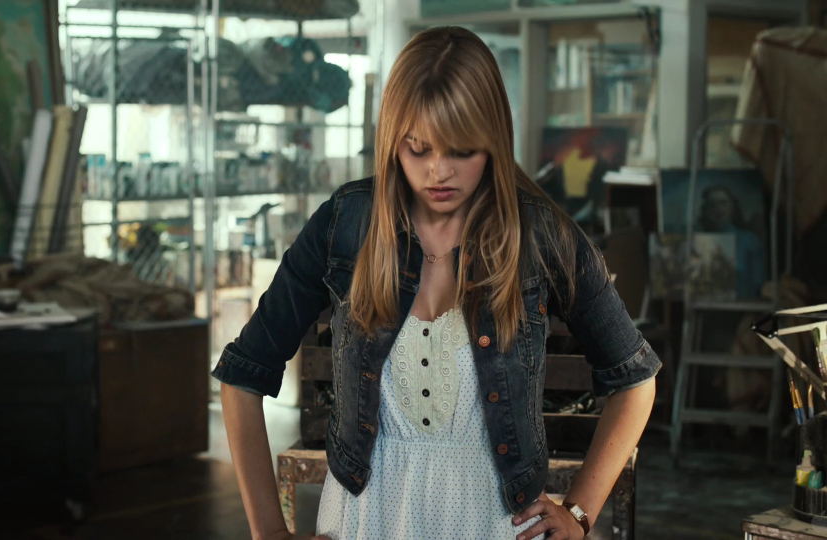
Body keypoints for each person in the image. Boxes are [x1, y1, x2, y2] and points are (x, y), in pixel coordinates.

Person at [213, 27, 661, 540]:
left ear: (493, 140)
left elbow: (635, 379)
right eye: (418, 149)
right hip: (363, 521)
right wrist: (269, 532)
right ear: (393, 141)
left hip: (493, 523)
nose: (439, 172)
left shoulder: (541, 233)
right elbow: (242, 374)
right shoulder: (346, 223)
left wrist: (579, 513)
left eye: (462, 150)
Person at [696, 184, 765, 299]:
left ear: (732, 206)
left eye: (723, 203)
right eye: (712, 204)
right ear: (706, 210)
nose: (718, 209)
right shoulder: (696, 242)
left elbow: (758, 284)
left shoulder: (750, 241)